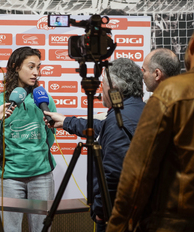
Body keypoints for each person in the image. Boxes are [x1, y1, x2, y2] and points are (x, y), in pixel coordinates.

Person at [106, 23, 194, 232]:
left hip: (176, 222)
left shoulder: (171, 94)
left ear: (193, 42)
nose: (142, 75)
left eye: (144, 71)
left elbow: (138, 172)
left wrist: (118, 224)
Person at [44, 58, 145, 232]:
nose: (101, 89)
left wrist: (100, 210)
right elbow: (102, 129)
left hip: (114, 215)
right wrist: (67, 122)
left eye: (103, 84)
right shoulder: (141, 110)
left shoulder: (117, 121)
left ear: (114, 88)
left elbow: (113, 174)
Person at [0, 46, 57, 232]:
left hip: (42, 176)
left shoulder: (44, 99)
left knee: (41, 229)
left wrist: (36, 153)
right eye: (31, 66)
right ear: (16, 67)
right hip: (10, 177)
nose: (36, 73)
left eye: (38, 67)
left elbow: (51, 135)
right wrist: (11, 155)